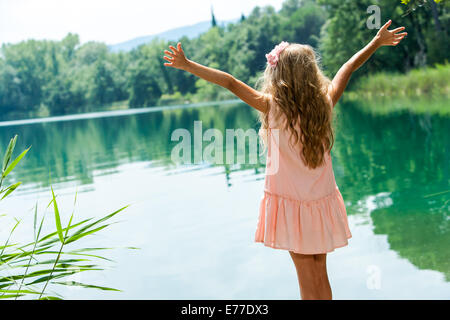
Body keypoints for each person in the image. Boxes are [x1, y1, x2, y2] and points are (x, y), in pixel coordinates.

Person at [163, 19, 407, 300]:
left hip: (292, 206)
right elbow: (347, 68)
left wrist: (188, 65)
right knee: (319, 273)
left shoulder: (271, 106)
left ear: (280, 75)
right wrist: (376, 42)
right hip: (321, 202)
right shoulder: (325, 102)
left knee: (306, 278)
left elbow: (230, 82)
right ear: (311, 73)